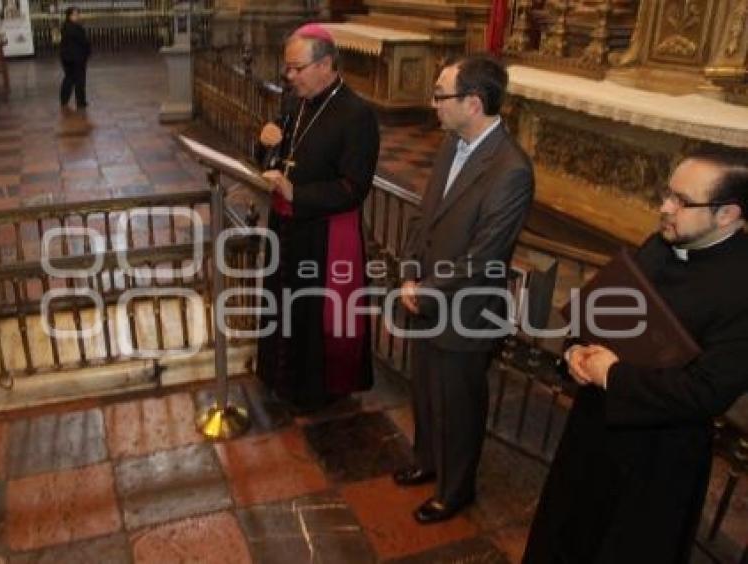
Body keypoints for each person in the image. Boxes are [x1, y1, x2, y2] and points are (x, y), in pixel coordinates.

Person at [523, 149, 748, 563]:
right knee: (565, 534)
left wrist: (614, 375)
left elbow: (708, 391)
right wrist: (574, 348)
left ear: (727, 214)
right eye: (668, 194)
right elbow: (606, 306)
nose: (665, 208)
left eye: (682, 201)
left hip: (659, 459)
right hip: (594, 430)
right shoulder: (661, 243)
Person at [392, 56, 534, 523]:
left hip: (466, 308)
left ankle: (456, 490)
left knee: (459, 404)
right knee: (427, 392)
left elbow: (485, 254)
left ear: (473, 103)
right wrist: (411, 272)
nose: (432, 103)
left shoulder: (511, 169)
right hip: (429, 294)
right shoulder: (452, 144)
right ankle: (427, 461)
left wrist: (426, 289)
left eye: (440, 94)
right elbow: (424, 216)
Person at [256, 24, 380, 411]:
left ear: (326, 64)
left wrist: (298, 194)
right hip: (286, 228)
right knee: (282, 305)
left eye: (297, 68)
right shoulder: (296, 104)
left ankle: (315, 391)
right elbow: (279, 161)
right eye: (287, 69)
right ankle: (279, 378)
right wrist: (263, 147)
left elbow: (353, 188)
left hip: (324, 237)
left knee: (312, 315)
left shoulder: (357, 114)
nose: (290, 77)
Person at [59, 7, 91, 110]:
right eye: (75, 14)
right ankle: (80, 102)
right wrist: (88, 51)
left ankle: (64, 100)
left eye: (78, 14)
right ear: (70, 16)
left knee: (68, 79)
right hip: (77, 58)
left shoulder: (65, 27)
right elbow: (84, 42)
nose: (77, 16)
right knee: (79, 80)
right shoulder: (76, 28)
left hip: (66, 58)